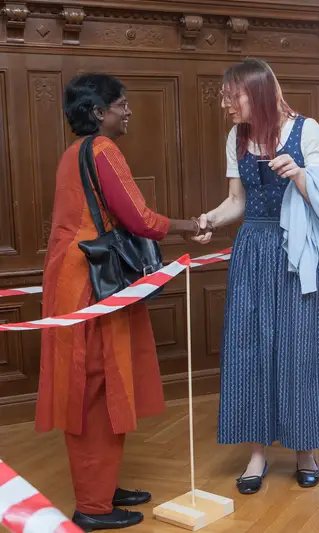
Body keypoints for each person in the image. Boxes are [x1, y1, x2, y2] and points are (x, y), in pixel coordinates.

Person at [36, 73, 204, 531]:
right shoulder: (104, 151)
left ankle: (103, 487)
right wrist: (190, 225)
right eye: (121, 105)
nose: (127, 112)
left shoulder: (73, 154)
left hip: (75, 280)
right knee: (94, 390)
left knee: (97, 386)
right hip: (93, 286)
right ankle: (92, 506)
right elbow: (140, 218)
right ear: (97, 112)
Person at [194, 58, 319, 494]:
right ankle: (258, 453)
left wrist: (299, 174)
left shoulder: (308, 131)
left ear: (258, 93)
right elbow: (236, 201)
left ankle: (306, 450)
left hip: (296, 250)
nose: (227, 105)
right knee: (251, 347)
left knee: (300, 348)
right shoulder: (236, 137)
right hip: (252, 252)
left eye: (232, 96)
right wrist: (210, 218)